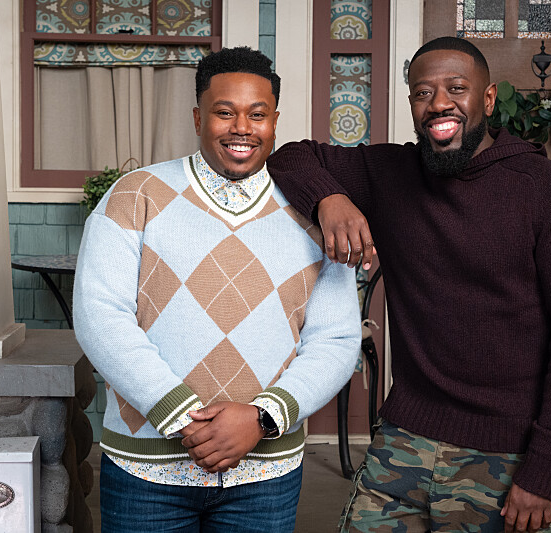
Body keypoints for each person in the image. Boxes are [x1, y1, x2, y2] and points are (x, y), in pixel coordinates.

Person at [267, 37, 551, 533]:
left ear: (487, 99)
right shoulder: (393, 171)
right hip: (402, 440)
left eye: (456, 88)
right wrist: (330, 200)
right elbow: (291, 157)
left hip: (503, 453)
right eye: (422, 92)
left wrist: (545, 472)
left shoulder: (544, 189)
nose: (439, 103)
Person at [73, 46, 361, 533]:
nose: (241, 128)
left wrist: (263, 419)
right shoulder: (134, 194)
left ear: (274, 120)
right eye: (224, 112)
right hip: (146, 472)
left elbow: (333, 339)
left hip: (265, 476)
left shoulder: (314, 212)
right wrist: (182, 416)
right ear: (197, 116)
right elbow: (101, 316)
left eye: (257, 114)